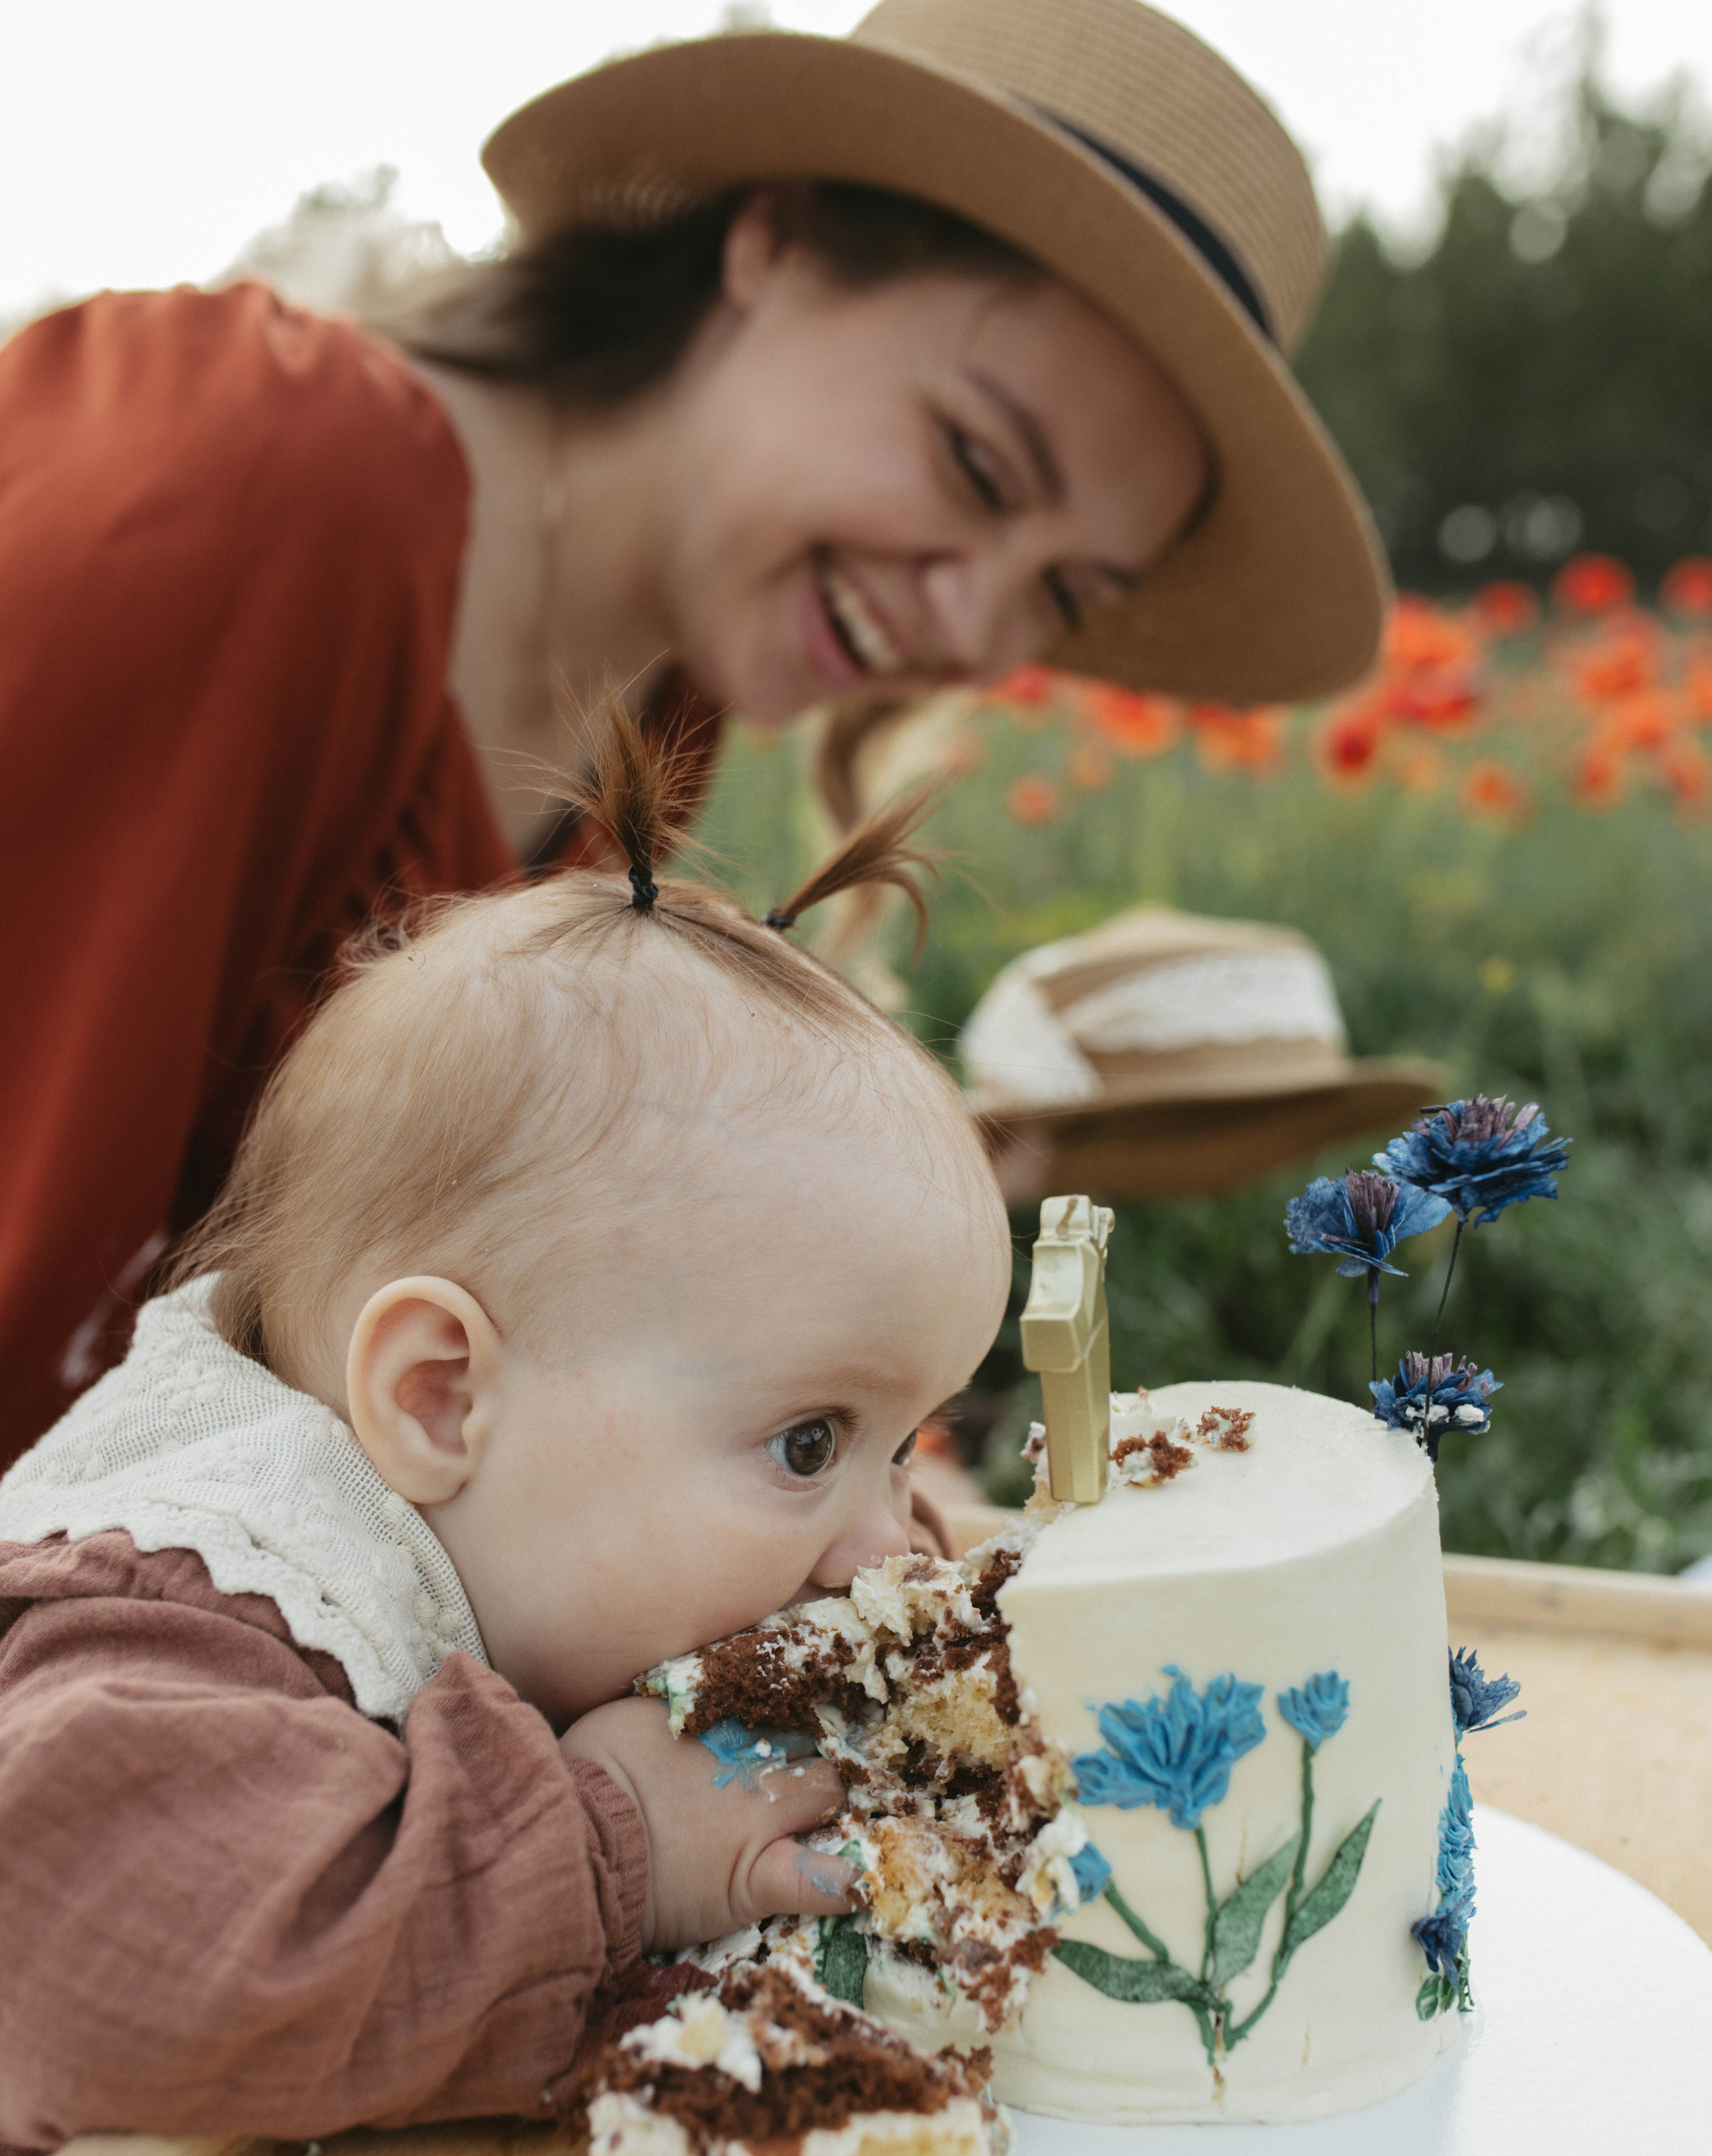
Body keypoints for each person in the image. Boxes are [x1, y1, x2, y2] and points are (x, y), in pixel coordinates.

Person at [0, 0, 1385, 1468]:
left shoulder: (660, 713)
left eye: (1062, 592)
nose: (975, 627)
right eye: (974, 465)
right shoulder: (249, 482)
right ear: (771, 242)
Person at [0, 716, 1012, 2156]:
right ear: (437, 1401)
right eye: (807, 1442)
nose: (880, 1546)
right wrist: (618, 1847)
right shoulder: (183, 1607)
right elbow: (81, 1962)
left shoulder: (532, 1522)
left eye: (897, 1445)